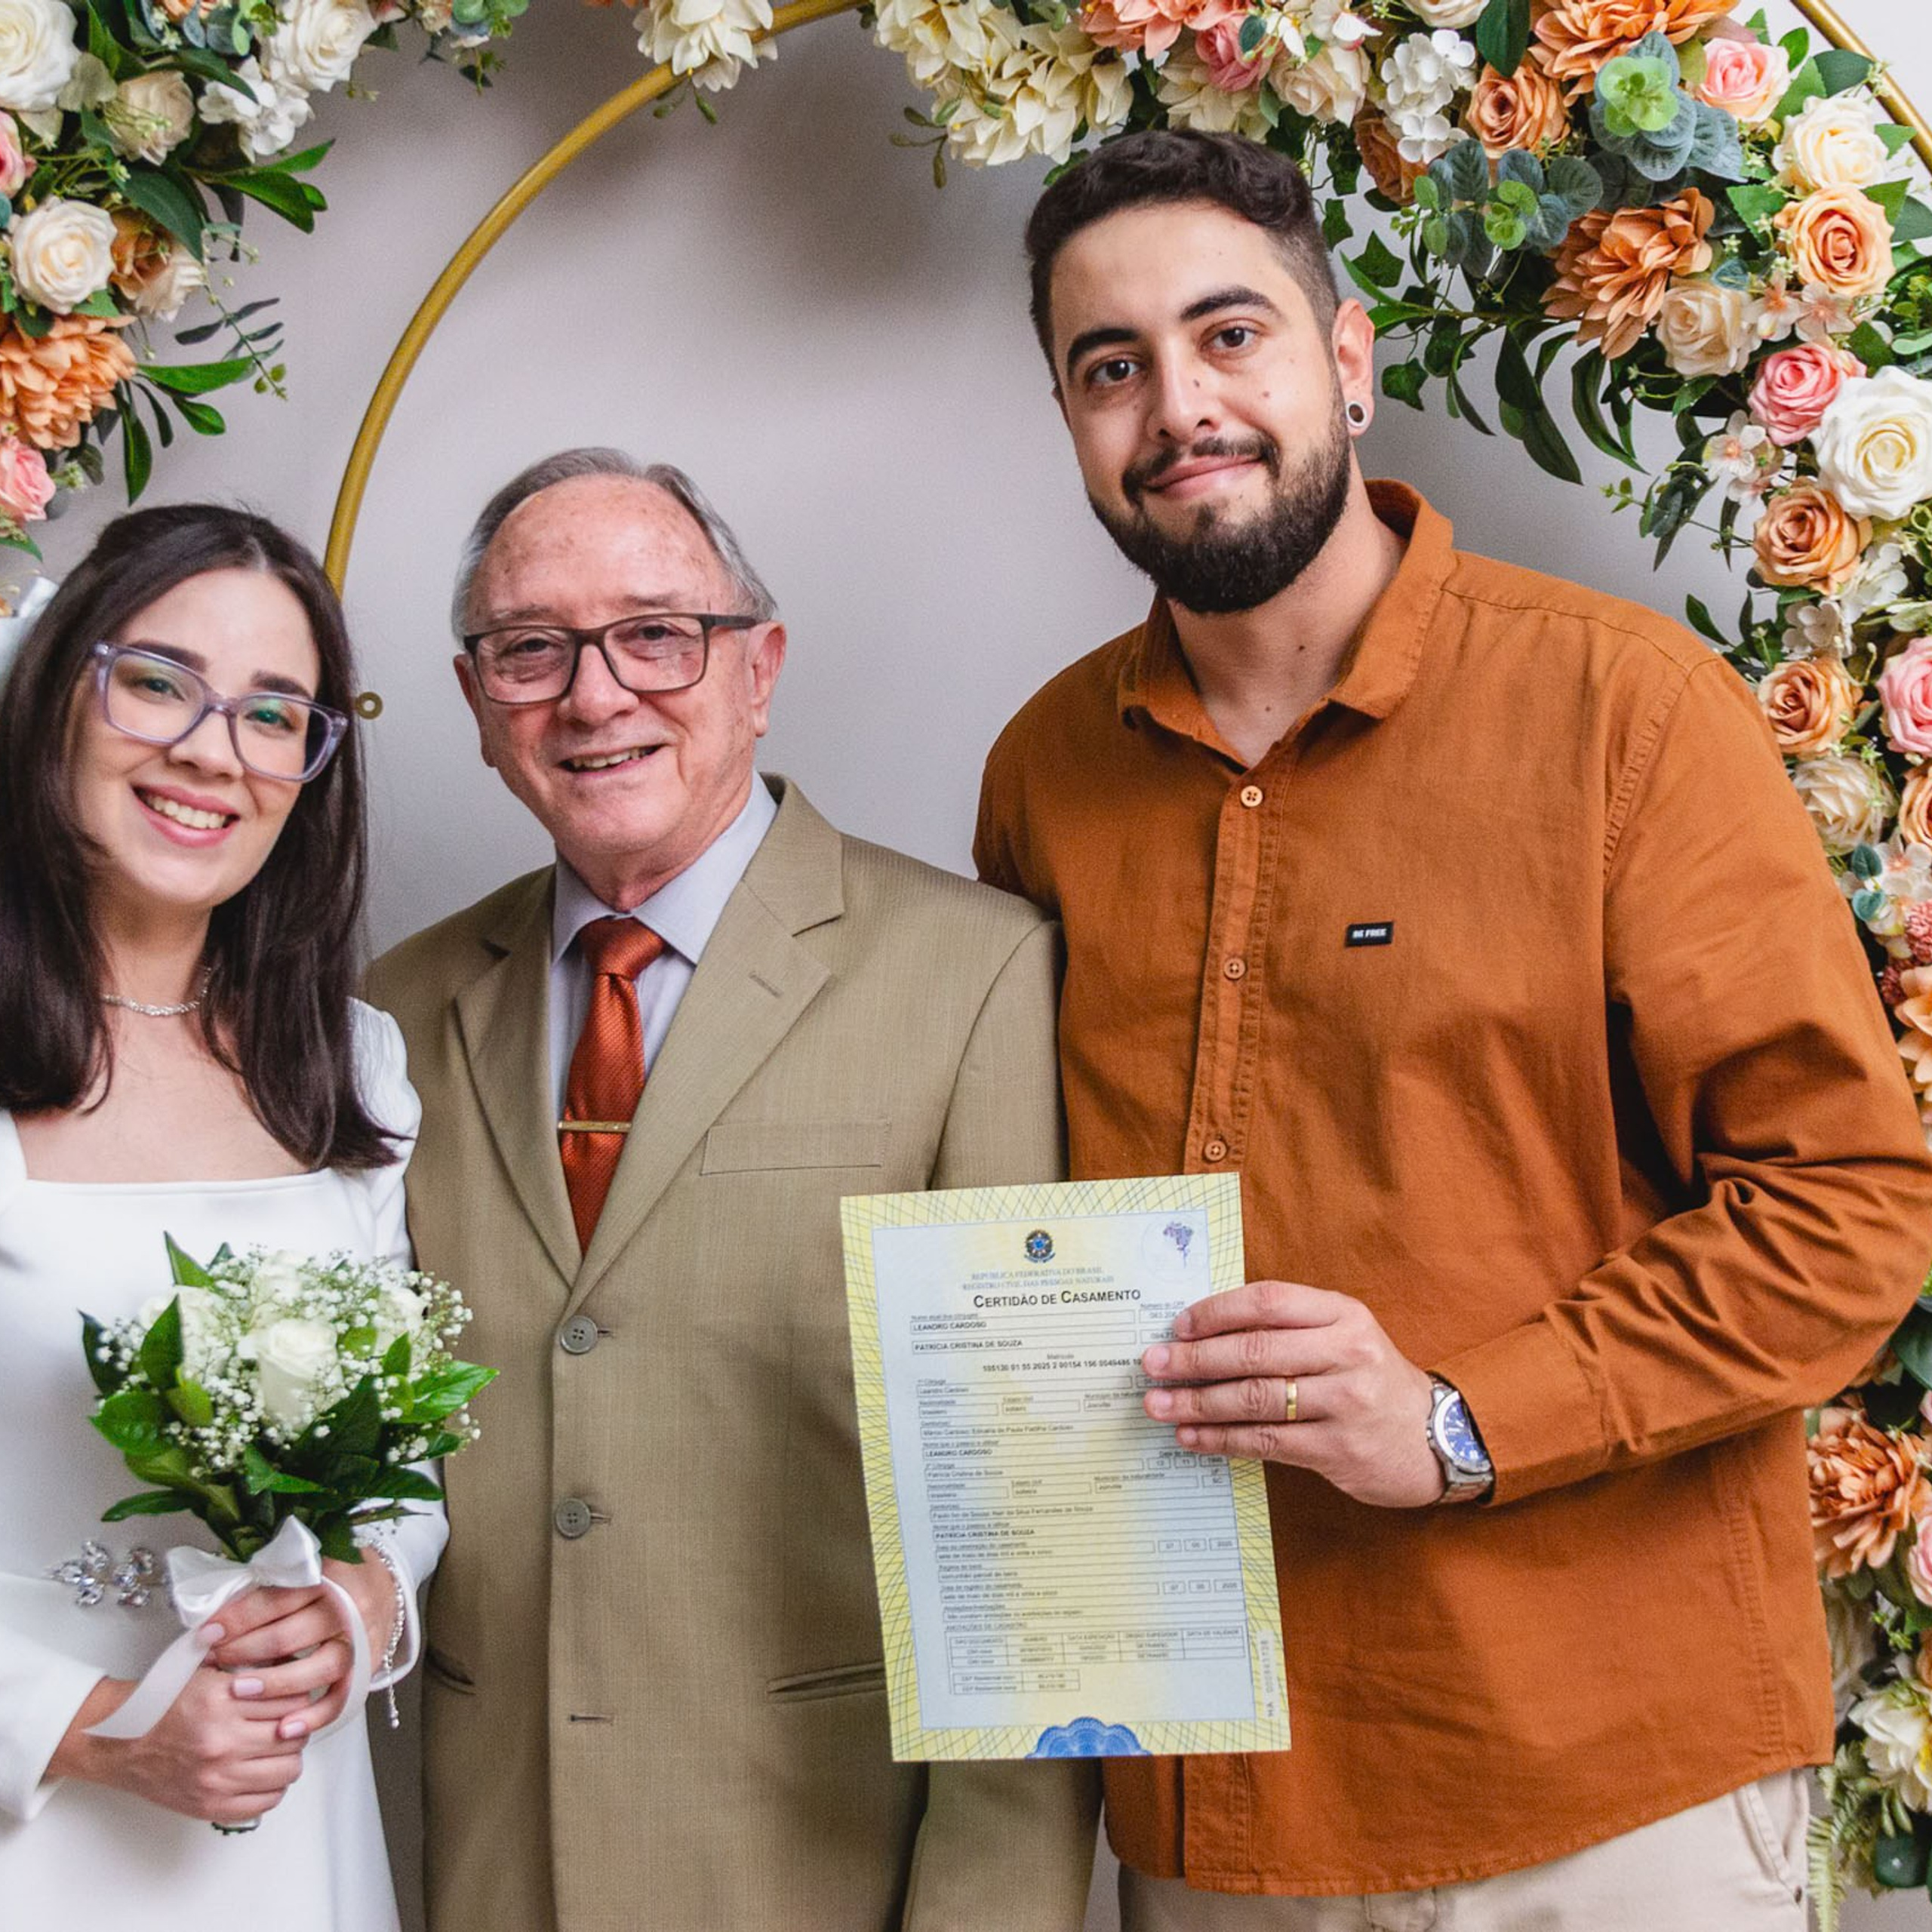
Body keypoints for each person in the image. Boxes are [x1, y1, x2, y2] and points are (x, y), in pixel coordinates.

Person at [974, 128, 1932, 1931]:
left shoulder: (1622, 711)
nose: (1178, 406)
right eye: (1111, 367)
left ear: (1345, 360)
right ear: (1070, 420)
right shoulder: (1041, 775)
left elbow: (1848, 1210)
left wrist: (1458, 1418)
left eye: (1229, 334)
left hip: (1604, 1787)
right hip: (1220, 1811)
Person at [366, 448, 1099, 1932]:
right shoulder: (394, 1010)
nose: (594, 696)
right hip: (489, 1866)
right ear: (478, 703)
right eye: (532, 650)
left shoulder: (975, 973)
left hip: (822, 1863)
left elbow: (1036, 1538)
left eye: (656, 634)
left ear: (757, 669)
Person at [0, 504, 443, 1927]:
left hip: (289, 1839)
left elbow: (401, 1470)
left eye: (272, 714)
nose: (213, 751)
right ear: (55, 690)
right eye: (157, 682)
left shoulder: (352, 1064)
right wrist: (97, 1733)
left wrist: (363, 1604)